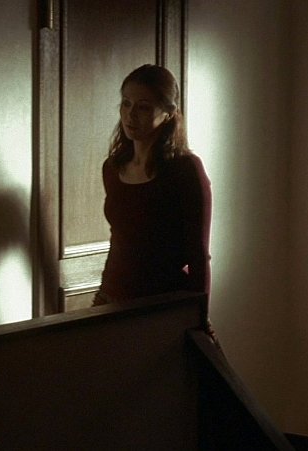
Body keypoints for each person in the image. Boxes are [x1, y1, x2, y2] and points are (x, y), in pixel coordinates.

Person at [94, 64, 212, 328]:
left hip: (162, 304)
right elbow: (121, 240)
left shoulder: (185, 169)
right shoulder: (113, 167)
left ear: (168, 113)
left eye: (144, 107)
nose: (131, 114)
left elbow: (198, 256)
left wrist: (198, 319)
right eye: (126, 103)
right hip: (112, 297)